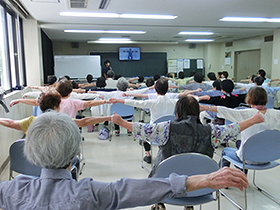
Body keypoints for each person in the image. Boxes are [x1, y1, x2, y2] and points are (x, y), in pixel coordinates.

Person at [0, 111, 251, 209]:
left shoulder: (10, 190)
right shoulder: (88, 193)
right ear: (76, 151)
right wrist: (204, 178)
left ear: (29, 150)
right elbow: (129, 189)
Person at [200, 86, 280, 170]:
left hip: (248, 158)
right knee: (240, 142)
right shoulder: (276, 114)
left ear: (249, 98)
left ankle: (224, 177)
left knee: (226, 151)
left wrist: (204, 107)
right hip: (269, 157)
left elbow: (225, 111)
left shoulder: (247, 114)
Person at [0, 88, 110, 133]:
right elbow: (84, 121)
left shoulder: (31, 121)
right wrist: (108, 118)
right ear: (56, 106)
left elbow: (10, 123)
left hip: (37, 164)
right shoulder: (65, 121)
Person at [10, 79, 110, 118]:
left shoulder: (51, 100)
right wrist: (105, 101)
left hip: (54, 128)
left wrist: (19, 100)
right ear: (71, 92)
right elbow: (89, 103)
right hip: (70, 128)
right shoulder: (73, 101)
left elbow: (35, 102)